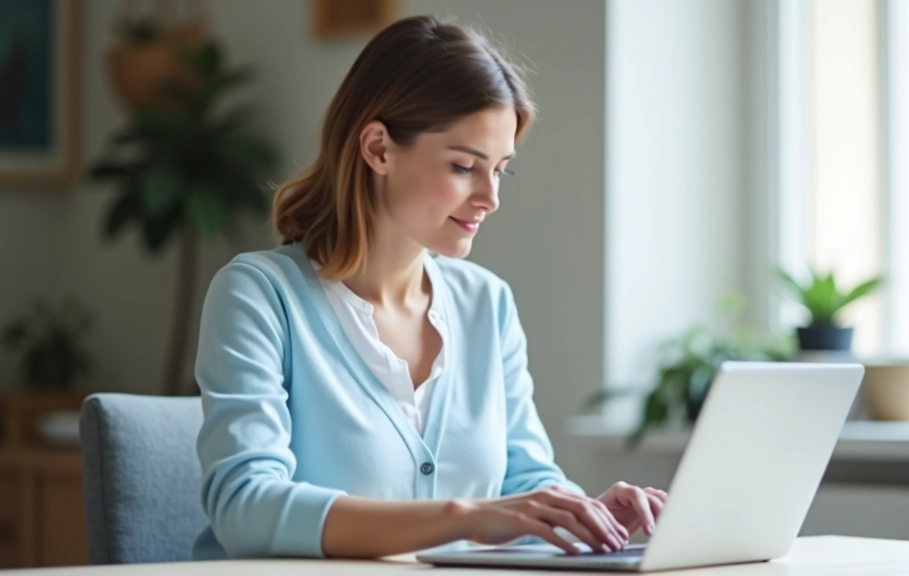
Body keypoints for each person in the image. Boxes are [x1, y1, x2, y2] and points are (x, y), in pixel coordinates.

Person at [192, 14, 666, 561]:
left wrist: (589, 514)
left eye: (502, 170)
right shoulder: (259, 296)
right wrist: (465, 517)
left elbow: (524, 484)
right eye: (465, 166)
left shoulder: (487, 303)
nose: (491, 198)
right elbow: (245, 507)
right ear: (378, 149)